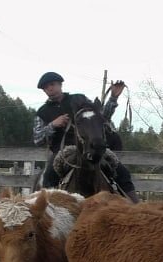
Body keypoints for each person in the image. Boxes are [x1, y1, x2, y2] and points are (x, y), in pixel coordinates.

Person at [32, 71, 139, 203]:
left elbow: (101, 117)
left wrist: (113, 99)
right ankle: (46, 209)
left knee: (121, 171)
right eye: (46, 87)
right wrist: (53, 125)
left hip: (91, 146)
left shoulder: (79, 99)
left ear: (60, 84)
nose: (50, 88)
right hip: (62, 152)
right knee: (48, 175)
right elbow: (37, 139)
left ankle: (134, 207)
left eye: (52, 84)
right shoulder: (42, 112)